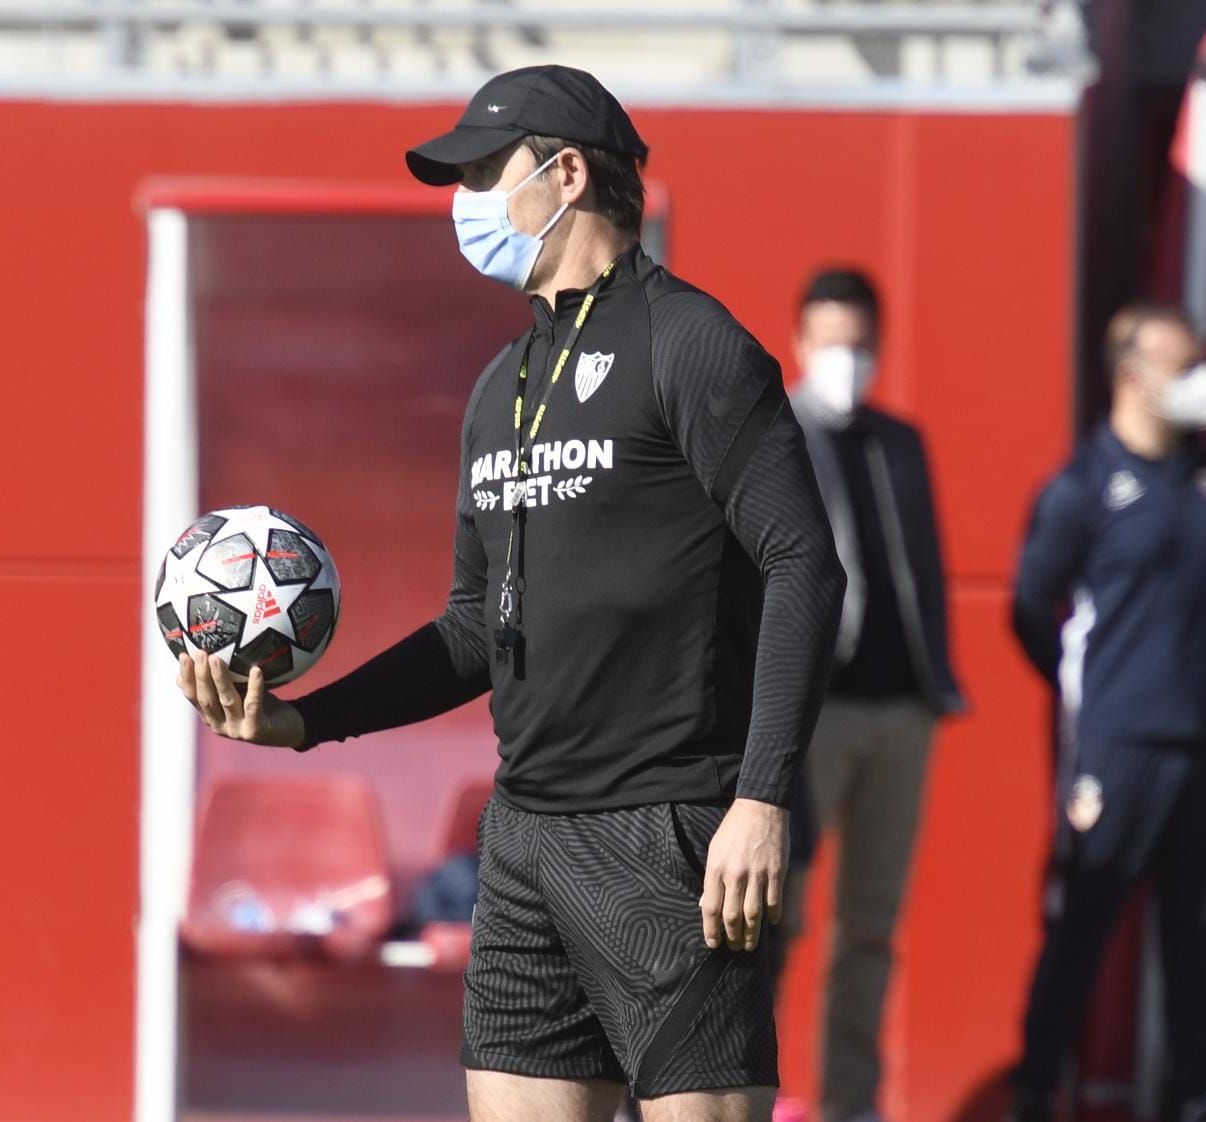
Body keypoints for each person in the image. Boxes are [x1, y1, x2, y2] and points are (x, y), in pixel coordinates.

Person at [178, 64, 845, 1122]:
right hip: (523, 840)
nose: (465, 203)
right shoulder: (501, 388)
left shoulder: (693, 344)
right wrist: (306, 721)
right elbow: (469, 629)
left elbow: (805, 564)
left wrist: (759, 800)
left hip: (666, 832)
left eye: (484, 172)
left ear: (566, 173)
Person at [1009, 304, 1206, 1122]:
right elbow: (1031, 609)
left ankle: (1202, 1097)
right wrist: (1095, 697)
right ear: (1132, 376)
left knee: (1196, 937)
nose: (1200, 382)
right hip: (1117, 752)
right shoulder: (1082, 490)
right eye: (1182, 367)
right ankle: (1036, 1091)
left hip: (1205, 747)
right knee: (1082, 928)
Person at [783, 268, 965, 1122]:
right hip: (808, 715)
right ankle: (743, 1097)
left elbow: (919, 570)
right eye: (829, 342)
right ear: (799, 344)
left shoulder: (903, 442)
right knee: (772, 918)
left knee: (870, 930)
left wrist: (938, 685)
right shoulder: (772, 435)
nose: (844, 360)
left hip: (904, 713)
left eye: (858, 344)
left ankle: (848, 1106)